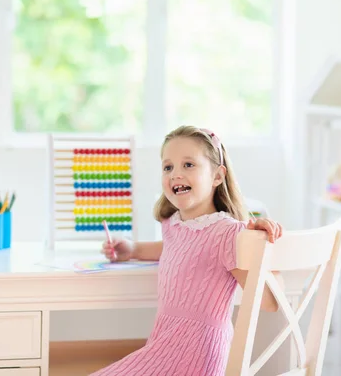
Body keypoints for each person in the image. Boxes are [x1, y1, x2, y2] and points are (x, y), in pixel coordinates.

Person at [91, 125, 284, 376]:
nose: (176, 174)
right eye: (168, 167)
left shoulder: (227, 233)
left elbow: (270, 302)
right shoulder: (174, 225)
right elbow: (180, 250)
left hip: (198, 357)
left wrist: (261, 249)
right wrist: (132, 249)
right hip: (164, 348)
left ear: (217, 176)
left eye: (188, 165)